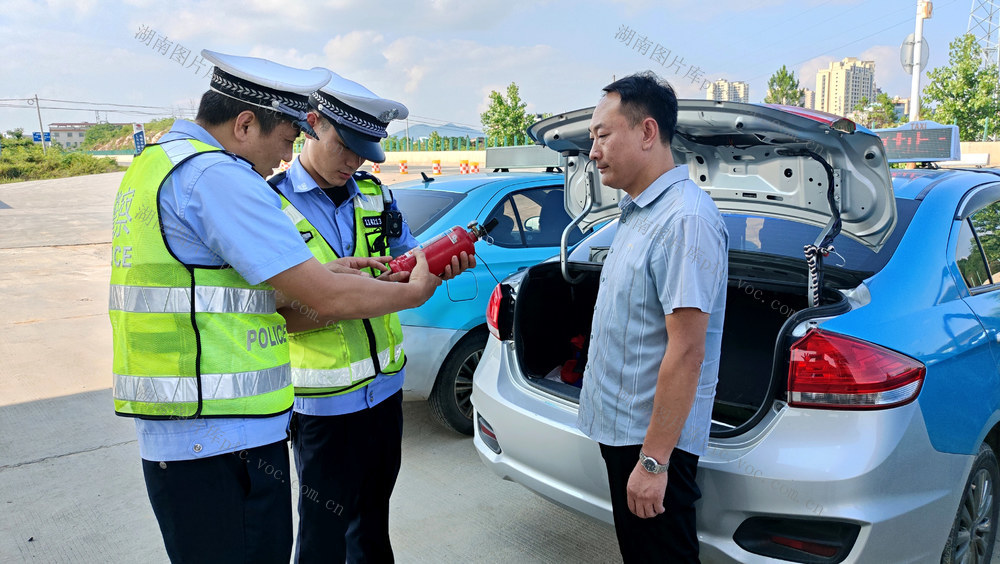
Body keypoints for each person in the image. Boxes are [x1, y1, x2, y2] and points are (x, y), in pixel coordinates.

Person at [108, 50, 443, 563]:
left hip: (195, 428)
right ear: (245, 124)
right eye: (286, 140)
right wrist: (413, 292)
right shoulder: (216, 176)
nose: (284, 157)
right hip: (223, 430)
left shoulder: (158, 163)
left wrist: (326, 273)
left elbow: (222, 291)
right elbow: (323, 300)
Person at [268, 71, 473, 563]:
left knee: (373, 524)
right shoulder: (270, 204)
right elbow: (270, 309)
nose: (354, 161)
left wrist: (438, 267)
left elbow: (407, 262)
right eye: (345, 146)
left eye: (365, 151)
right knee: (322, 534)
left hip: (384, 394)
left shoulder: (376, 195)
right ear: (312, 124)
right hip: (322, 406)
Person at [576, 72, 728, 563]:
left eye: (602, 135)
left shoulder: (685, 220)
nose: (592, 151)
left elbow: (686, 352)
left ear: (646, 132)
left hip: (650, 440)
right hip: (625, 432)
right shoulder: (639, 212)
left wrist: (654, 462)